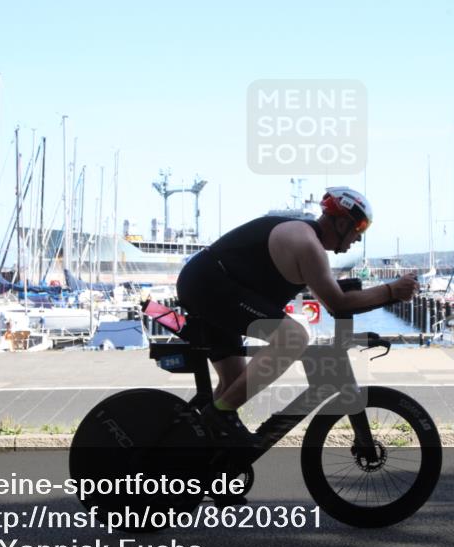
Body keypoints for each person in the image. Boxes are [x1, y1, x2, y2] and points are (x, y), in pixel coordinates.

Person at [176, 187, 418, 445]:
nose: (358, 238)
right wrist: (392, 290)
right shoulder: (306, 244)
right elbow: (338, 303)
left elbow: (334, 298)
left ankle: (201, 450)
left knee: (234, 383)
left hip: (208, 284)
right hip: (208, 285)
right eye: (358, 228)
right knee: (292, 337)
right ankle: (221, 413)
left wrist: (385, 294)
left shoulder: (306, 240)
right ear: (340, 222)